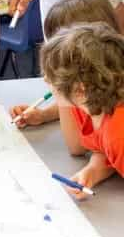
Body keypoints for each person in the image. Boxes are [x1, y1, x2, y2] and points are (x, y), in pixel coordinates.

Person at [10, 0, 120, 128]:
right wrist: (44, 115)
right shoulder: (95, 80)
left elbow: (75, 147)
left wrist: (60, 93)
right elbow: (78, 106)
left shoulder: (107, 94)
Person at [40, 23, 124, 200]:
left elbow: (114, 146)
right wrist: (92, 171)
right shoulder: (88, 105)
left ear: (80, 90)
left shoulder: (118, 133)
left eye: (52, 76)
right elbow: (104, 150)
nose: (45, 79)